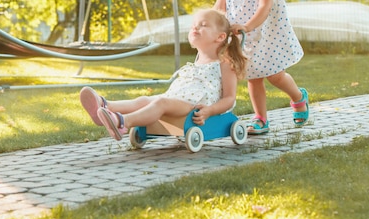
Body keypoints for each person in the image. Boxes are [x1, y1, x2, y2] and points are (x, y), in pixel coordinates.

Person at [79, 8, 248, 141]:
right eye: (194, 25)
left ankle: (123, 122)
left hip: (193, 105)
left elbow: (229, 98)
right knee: (144, 100)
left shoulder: (225, 64)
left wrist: (210, 110)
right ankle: (104, 107)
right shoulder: (196, 63)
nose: (195, 27)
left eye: (203, 25)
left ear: (220, 37)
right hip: (175, 98)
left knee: (159, 103)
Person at [212, 0, 309, 135]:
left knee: (275, 76)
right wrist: (211, 25)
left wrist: (247, 26)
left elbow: (264, 7)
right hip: (242, 38)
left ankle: (298, 97)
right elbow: (220, 8)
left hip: (266, 35)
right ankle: (261, 119)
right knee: (253, 78)